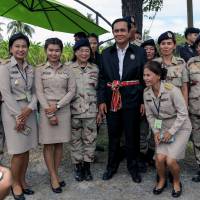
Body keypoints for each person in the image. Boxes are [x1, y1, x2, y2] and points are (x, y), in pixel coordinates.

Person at [98, 18, 146, 183]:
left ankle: (133, 168)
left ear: (129, 32)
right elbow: (102, 79)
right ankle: (111, 167)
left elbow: (143, 79)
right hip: (112, 100)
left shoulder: (139, 52)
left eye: (122, 30)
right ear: (113, 33)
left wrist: (142, 102)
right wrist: (102, 101)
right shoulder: (105, 53)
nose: (119, 33)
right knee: (113, 135)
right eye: (116, 31)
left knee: (132, 136)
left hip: (132, 99)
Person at [143, 61, 191, 198]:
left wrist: (171, 132)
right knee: (159, 158)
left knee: (170, 160)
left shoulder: (172, 90)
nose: (145, 78)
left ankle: (176, 182)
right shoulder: (146, 93)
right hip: (162, 126)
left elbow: (183, 114)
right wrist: (156, 131)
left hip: (180, 127)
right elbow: (151, 115)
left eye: (149, 75)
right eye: (144, 75)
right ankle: (162, 180)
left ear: (158, 76)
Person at [0, 33, 38, 200]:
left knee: (27, 147)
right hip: (11, 112)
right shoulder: (5, 68)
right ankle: (14, 184)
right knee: (17, 151)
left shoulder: (31, 68)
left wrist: (30, 109)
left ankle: (22, 180)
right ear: (11, 49)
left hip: (28, 111)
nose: (21, 49)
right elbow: (5, 93)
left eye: (24, 46)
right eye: (17, 46)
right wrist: (19, 116)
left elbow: (36, 92)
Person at [35, 38, 76, 193]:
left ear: (61, 51)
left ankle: (54, 174)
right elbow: (38, 92)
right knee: (48, 144)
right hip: (46, 109)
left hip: (63, 109)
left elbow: (72, 91)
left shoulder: (68, 69)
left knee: (59, 144)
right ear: (46, 50)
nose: (54, 53)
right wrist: (49, 110)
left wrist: (57, 106)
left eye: (57, 50)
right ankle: (53, 177)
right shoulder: (39, 69)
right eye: (51, 50)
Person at [67, 39, 99, 182]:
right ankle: (78, 167)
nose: (84, 53)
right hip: (73, 110)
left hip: (91, 111)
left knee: (90, 140)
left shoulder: (95, 68)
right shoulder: (67, 68)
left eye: (87, 50)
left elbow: (99, 90)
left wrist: (99, 111)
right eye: (81, 50)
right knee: (75, 140)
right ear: (76, 52)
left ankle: (87, 167)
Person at [139, 39, 160, 167]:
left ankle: (152, 154)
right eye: (146, 49)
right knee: (142, 130)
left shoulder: (159, 64)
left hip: (157, 106)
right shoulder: (138, 63)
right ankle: (142, 155)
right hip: (142, 103)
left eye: (151, 48)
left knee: (156, 129)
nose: (148, 51)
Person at [154, 31, 189, 105]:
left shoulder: (181, 62)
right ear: (159, 46)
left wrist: (185, 108)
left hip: (177, 105)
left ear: (174, 46)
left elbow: (184, 88)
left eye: (169, 43)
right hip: (160, 106)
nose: (166, 46)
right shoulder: (154, 63)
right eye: (163, 43)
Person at [187, 35, 200, 182]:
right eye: (199, 45)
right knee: (197, 140)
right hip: (195, 108)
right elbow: (186, 84)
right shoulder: (190, 63)